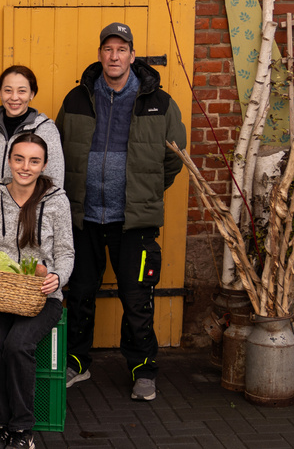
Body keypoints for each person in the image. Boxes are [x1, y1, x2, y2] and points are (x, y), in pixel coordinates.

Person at [55, 22, 186, 401]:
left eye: (121, 49)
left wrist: (144, 192)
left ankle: (143, 369)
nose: (114, 56)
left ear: (132, 55)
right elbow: (58, 152)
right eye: (108, 49)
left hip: (135, 223)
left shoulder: (159, 102)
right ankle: (77, 363)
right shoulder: (77, 99)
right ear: (101, 54)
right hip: (84, 218)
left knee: (137, 297)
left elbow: (173, 158)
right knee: (79, 294)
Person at [0, 134, 73, 449]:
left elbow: (66, 252)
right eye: (19, 159)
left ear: (43, 165)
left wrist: (57, 276)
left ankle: (22, 430)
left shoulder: (56, 200)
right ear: (9, 160)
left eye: (34, 160)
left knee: (17, 345)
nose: (25, 167)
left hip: (40, 295)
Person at [0, 66, 64, 245]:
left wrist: (38, 227)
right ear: (0, 93)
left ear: (32, 94)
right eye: (8, 90)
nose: (14, 97)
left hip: (30, 231)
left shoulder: (46, 130)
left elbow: (54, 182)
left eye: (22, 91)